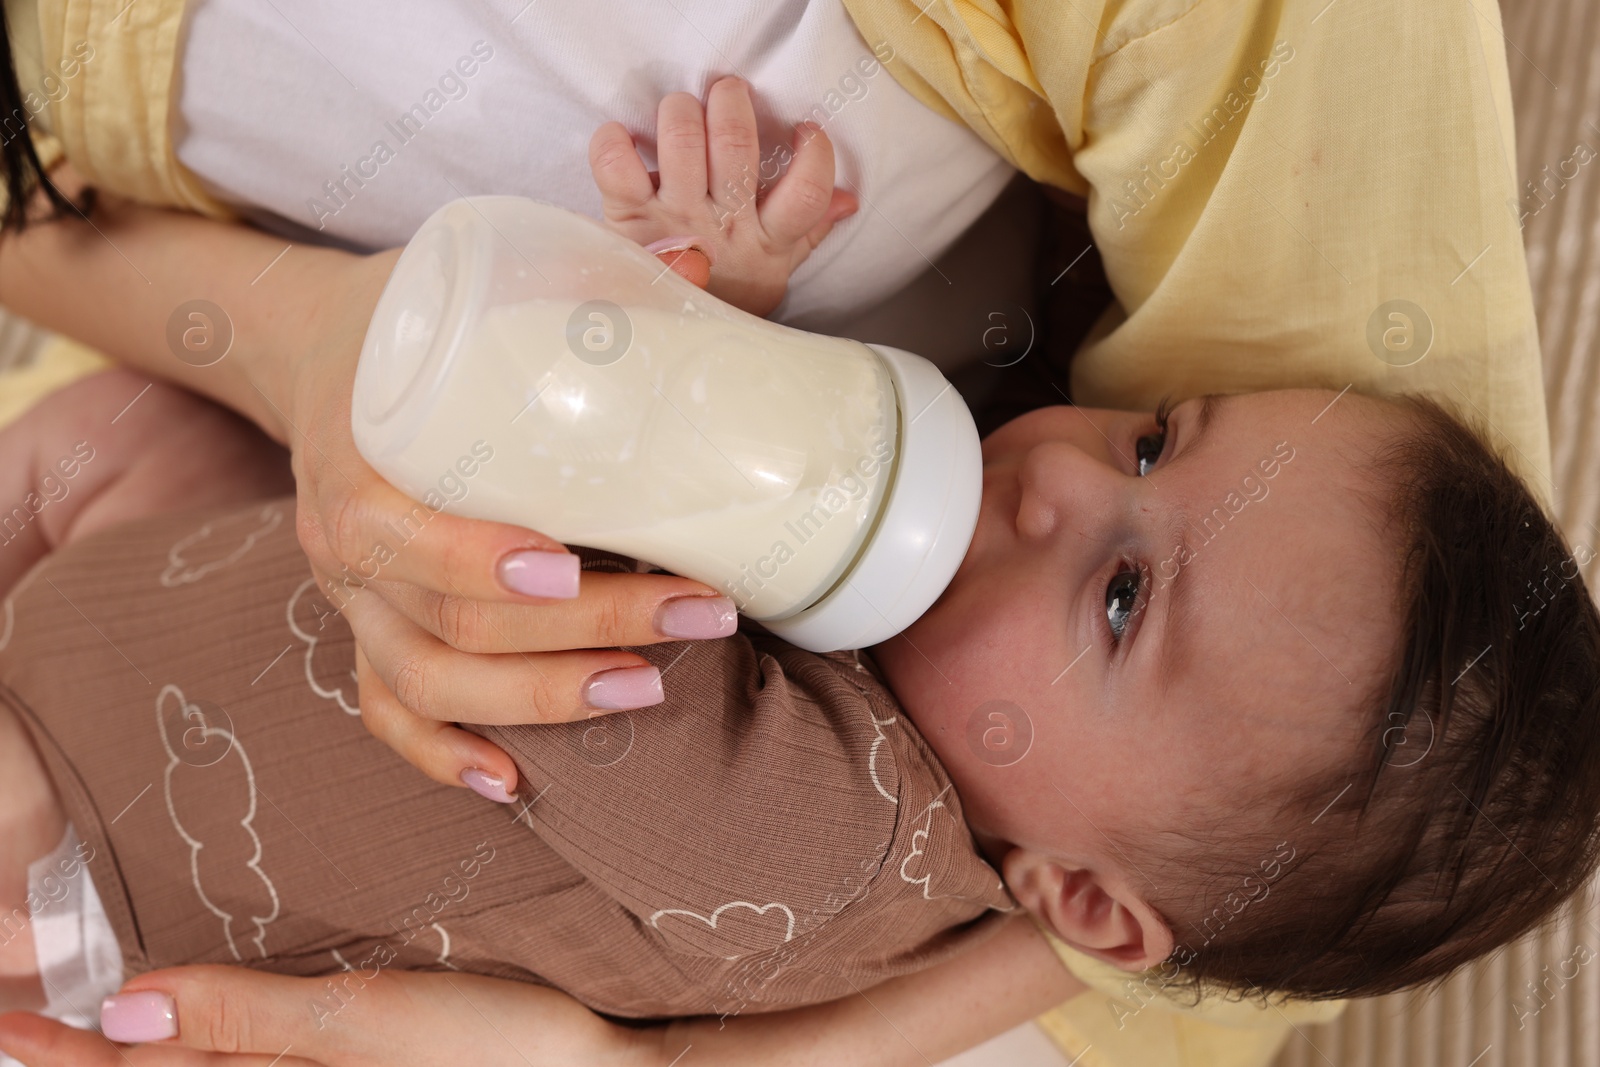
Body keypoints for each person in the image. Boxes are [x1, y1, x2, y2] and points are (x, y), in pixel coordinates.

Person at [0, 0, 1561, 1061]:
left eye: (1123, 598)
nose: (1062, 475)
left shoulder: (838, 853)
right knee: (103, 441)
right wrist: (724, 307)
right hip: (184, 563)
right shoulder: (910, 640)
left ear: (1080, 905)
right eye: (1152, 436)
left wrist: (684, 334)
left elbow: (615, 636)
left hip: (113, 851)